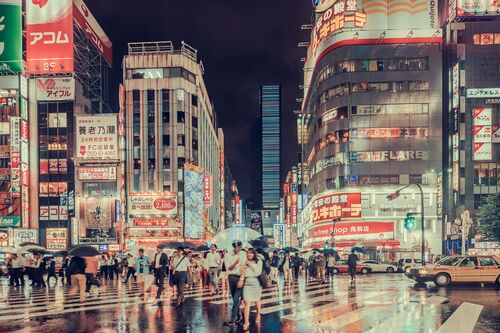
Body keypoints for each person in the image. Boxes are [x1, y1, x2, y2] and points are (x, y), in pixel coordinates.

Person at [224, 240, 247, 327]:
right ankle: (239, 317)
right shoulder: (227, 255)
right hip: (231, 277)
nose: (240, 249)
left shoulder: (243, 254)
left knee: (236, 299)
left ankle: (232, 319)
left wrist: (242, 279)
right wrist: (235, 262)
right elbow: (228, 268)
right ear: (234, 247)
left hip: (240, 278)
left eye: (241, 247)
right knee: (234, 299)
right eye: (238, 247)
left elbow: (244, 267)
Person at [240, 249, 263, 331]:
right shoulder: (245, 261)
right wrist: (241, 279)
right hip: (247, 284)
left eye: (251, 253)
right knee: (246, 301)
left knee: (257, 301)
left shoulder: (259, 261)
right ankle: (246, 322)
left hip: (256, 283)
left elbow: (257, 272)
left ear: (254, 254)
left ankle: (258, 314)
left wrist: (249, 264)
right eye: (248, 253)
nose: (249, 254)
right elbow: (242, 271)